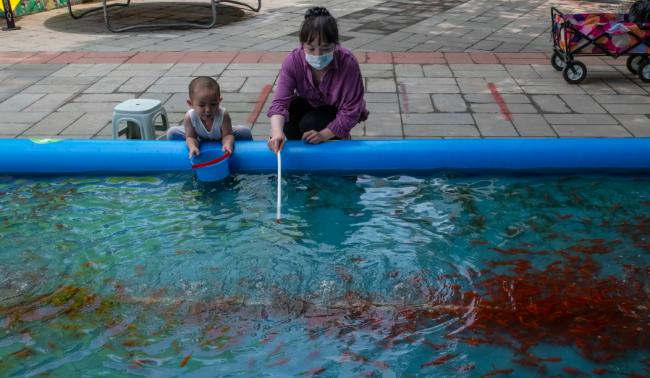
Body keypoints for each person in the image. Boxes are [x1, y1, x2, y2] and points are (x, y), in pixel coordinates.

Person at [267, 6, 369, 154]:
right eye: (311, 48)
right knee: (287, 121)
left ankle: (339, 138)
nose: (318, 55)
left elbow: (351, 110)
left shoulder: (348, 63)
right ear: (302, 45)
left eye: (326, 49)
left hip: (335, 109)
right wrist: (276, 132)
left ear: (336, 44)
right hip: (309, 102)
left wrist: (323, 135)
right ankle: (302, 157)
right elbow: (280, 102)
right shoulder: (293, 60)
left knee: (311, 124)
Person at [167, 76, 252, 158]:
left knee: (245, 131)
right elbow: (191, 137)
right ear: (191, 104)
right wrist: (193, 147)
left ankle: (249, 155)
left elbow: (227, 135)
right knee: (172, 132)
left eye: (213, 104)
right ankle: (174, 156)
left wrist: (227, 144)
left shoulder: (223, 115)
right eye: (202, 105)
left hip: (221, 135)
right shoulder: (190, 117)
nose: (208, 109)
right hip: (198, 136)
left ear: (219, 101)